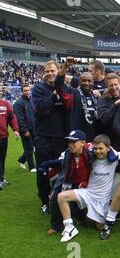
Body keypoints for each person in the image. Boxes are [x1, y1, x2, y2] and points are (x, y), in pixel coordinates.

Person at [57, 134, 120, 242]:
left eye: (101, 148)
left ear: (108, 148)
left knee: (99, 227)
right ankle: (69, 227)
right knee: (61, 197)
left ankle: (84, 216)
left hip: (102, 199)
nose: (98, 151)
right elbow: (77, 150)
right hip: (88, 193)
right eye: (96, 148)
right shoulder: (90, 158)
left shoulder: (114, 160)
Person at [32, 60, 67, 214]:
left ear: (58, 71)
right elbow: (43, 108)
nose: (50, 73)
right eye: (47, 71)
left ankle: (58, 198)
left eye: (53, 70)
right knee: (43, 171)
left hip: (62, 137)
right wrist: (54, 94)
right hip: (44, 137)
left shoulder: (66, 87)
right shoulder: (38, 89)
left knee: (62, 170)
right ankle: (45, 201)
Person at [55, 58, 99, 141]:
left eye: (89, 81)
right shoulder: (73, 93)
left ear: (93, 82)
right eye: (84, 81)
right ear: (79, 82)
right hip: (77, 140)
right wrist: (65, 66)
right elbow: (58, 84)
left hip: (94, 140)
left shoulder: (96, 96)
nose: (87, 83)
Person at [13, 83, 36, 172]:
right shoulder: (18, 103)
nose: (27, 92)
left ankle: (22, 159)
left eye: (28, 90)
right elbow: (19, 118)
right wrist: (24, 130)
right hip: (25, 129)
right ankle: (32, 167)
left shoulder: (32, 100)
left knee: (33, 147)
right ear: (22, 91)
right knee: (29, 148)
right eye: (25, 90)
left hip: (34, 128)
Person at [0, 94, 19, 189]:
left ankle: (1, 178)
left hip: (3, 137)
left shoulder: (5, 104)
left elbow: (12, 117)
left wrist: (15, 129)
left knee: (2, 158)